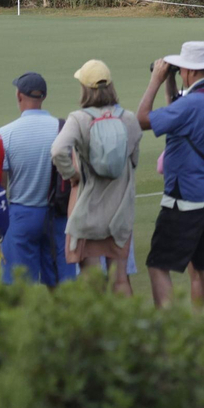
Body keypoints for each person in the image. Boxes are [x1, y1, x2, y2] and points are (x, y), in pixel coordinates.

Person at [137, 41, 204, 308]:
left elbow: (142, 119)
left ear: (190, 71)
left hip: (187, 197)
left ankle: (171, 327)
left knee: (158, 265)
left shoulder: (192, 104)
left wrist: (156, 80)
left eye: (180, 69)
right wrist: (170, 82)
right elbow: (177, 114)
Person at [50, 61, 143, 295]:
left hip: (88, 211)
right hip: (119, 212)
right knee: (120, 279)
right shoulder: (129, 119)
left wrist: (72, 175)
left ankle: (97, 320)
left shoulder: (79, 119)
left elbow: (58, 150)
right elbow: (134, 161)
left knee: (91, 280)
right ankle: (125, 320)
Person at [0, 71, 76, 285]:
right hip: (57, 215)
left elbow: (2, 185)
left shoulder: (6, 133)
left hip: (21, 215)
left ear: (19, 95)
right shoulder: (62, 129)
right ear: (44, 97)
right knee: (61, 284)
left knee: (20, 285)